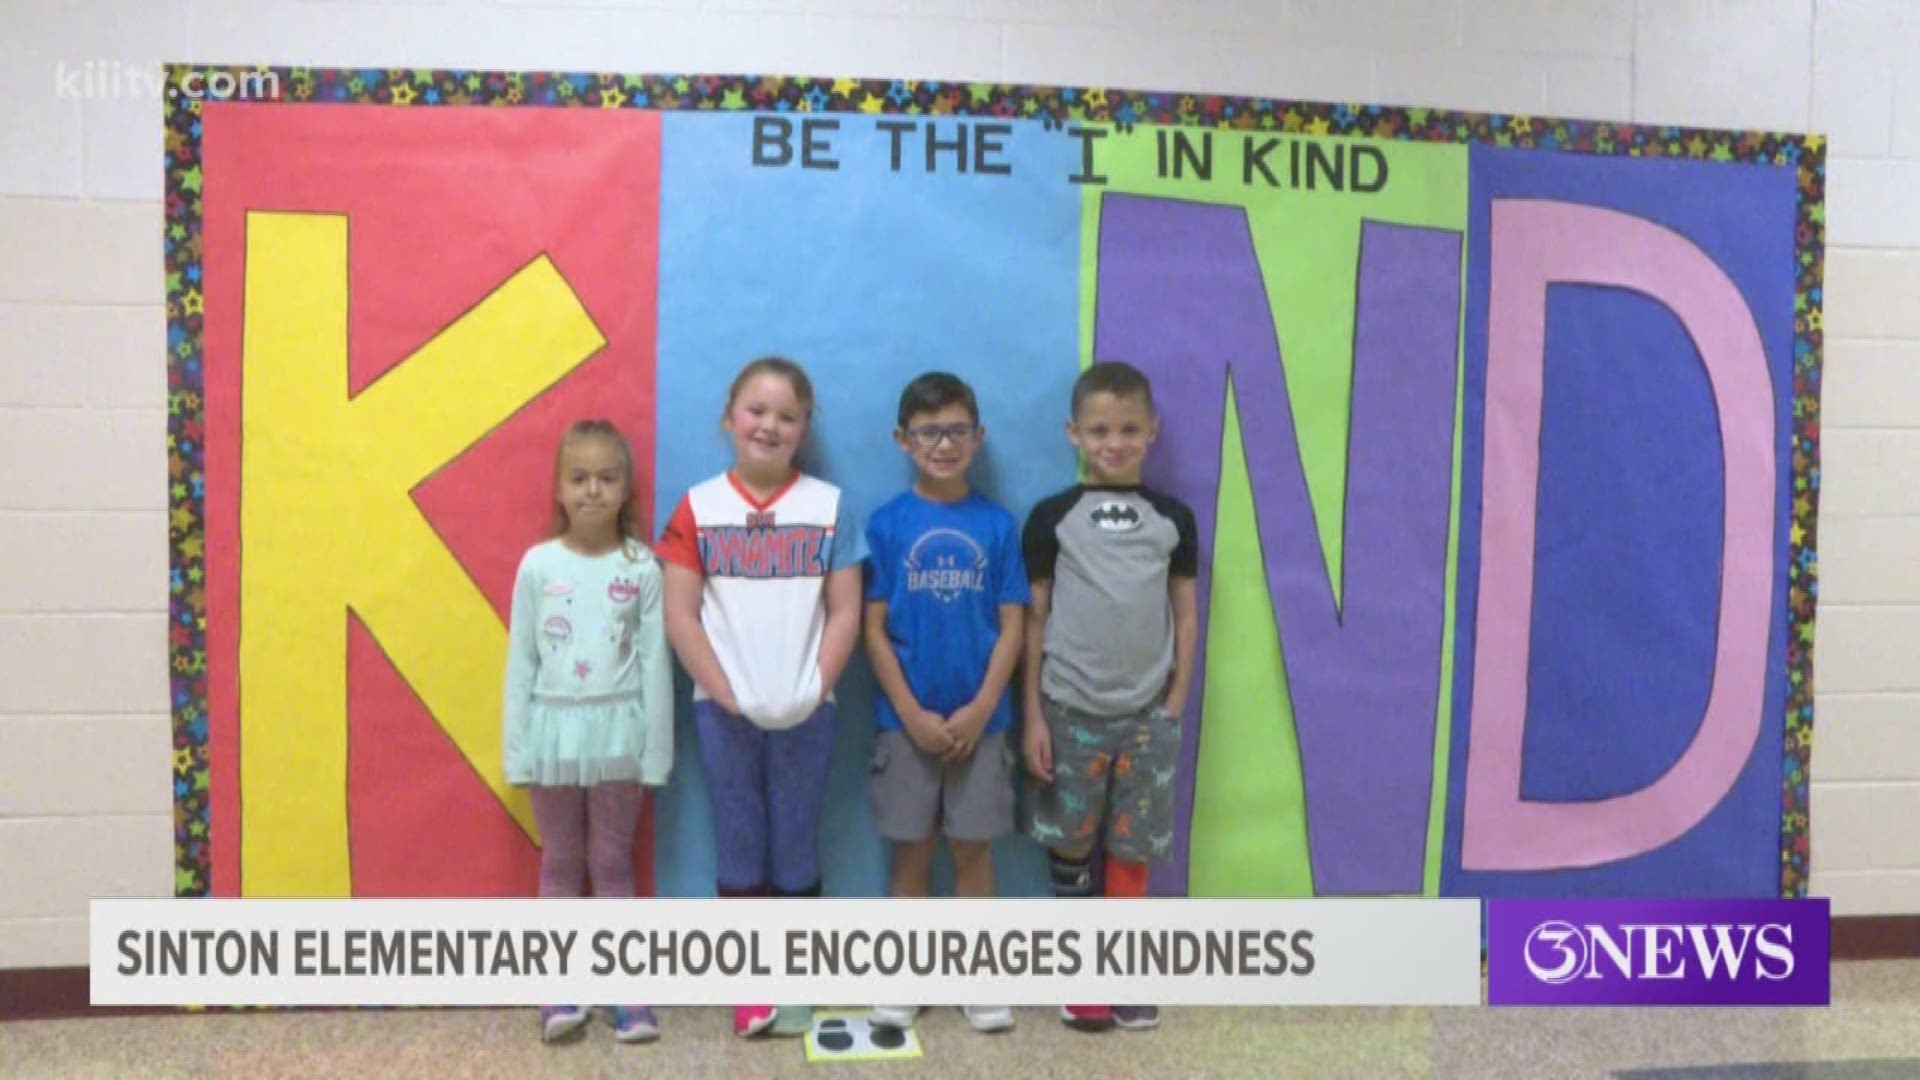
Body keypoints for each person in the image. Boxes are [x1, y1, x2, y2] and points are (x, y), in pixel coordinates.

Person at [656, 356, 865, 1039]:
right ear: (728, 417)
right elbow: (680, 614)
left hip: (810, 710)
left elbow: (844, 613)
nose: (769, 425)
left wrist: (816, 687)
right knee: (740, 839)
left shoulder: (828, 506)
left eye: (786, 415)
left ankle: (797, 981)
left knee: (797, 839)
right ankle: (751, 987)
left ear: (805, 428)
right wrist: (725, 694)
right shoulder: (698, 506)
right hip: (722, 711)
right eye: (756, 410)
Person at [1021, 361, 1200, 1033]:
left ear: (1152, 431)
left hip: (1149, 719)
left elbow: (1186, 616)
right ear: (1074, 433)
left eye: (1129, 429)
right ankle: (1080, 975)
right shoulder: (1052, 518)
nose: (1114, 443)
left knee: (1130, 849)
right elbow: (1033, 620)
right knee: (1070, 846)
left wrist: (1175, 702)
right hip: (1068, 712)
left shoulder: (1172, 519)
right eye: (1099, 430)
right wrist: (1034, 713)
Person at [861, 373, 1027, 1036]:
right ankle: (904, 972)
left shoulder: (997, 524)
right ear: (904, 441)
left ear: (978, 437)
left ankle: (977, 974)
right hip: (905, 727)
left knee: (973, 851)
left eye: (957, 430)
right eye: (929, 432)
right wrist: (909, 712)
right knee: (910, 852)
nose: (944, 443)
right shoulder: (886, 524)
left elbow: (1014, 625)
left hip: (983, 727)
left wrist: (985, 705)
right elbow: (872, 628)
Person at [502, 419, 673, 1044]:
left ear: (626, 488)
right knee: (562, 862)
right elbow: (520, 660)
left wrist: (655, 755)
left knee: (613, 862)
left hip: (619, 739)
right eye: (579, 478)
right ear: (559, 488)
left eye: (607, 478)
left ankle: (628, 994)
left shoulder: (643, 568)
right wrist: (516, 751)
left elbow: (656, 663)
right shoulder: (537, 566)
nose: (593, 491)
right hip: (553, 737)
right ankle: (558, 989)